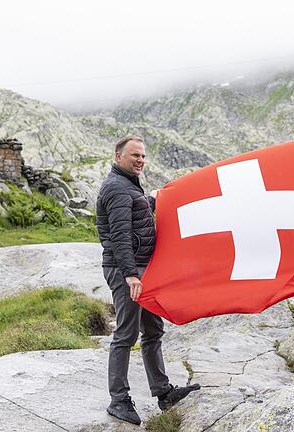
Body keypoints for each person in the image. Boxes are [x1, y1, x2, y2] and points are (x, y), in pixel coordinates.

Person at [96, 135, 200, 425]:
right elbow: (119, 235)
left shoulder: (129, 185)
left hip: (144, 270)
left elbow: (137, 217)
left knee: (153, 329)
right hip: (127, 272)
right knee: (126, 335)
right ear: (118, 157)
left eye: (142, 156)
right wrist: (130, 274)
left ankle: (163, 391)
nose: (140, 160)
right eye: (134, 156)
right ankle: (118, 400)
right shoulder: (116, 188)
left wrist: (154, 199)